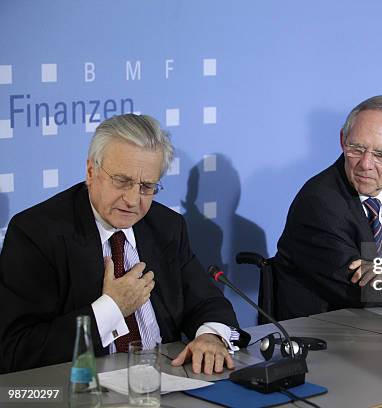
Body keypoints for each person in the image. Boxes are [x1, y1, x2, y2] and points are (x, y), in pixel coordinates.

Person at [0, 114, 248, 374]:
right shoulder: (37, 233)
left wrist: (210, 336)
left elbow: (207, 302)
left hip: (168, 381)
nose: (132, 199)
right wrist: (112, 308)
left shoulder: (166, 226)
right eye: (122, 181)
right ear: (91, 172)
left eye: (146, 187)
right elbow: (16, 350)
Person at [274, 95, 382, 320]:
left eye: (381, 155)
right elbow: (366, 292)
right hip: (327, 336)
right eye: (356, 148)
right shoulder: (318, 202)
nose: (365, 164)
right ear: (343, 140)